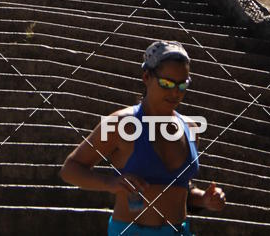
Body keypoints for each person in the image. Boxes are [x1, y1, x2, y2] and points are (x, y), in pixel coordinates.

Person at [60, 41, 226, 235]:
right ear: (146, 77)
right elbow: (70, 169)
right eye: (167, 83)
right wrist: (110, 183)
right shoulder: (122, 124)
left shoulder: (191, 128)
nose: (175, 92)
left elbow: (181, 188)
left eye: (183, 85)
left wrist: (204, 198)